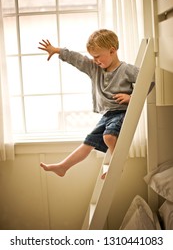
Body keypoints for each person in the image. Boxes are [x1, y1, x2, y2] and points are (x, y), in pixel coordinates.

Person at [38, 29, 139, 179]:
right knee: (88, 142)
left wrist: (131, 97)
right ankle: (63, 166)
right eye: (93, 57)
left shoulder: (126, 70)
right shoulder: (94, 68)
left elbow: (148, 81)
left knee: (109, 137)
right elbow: (77, 59)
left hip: (121, 112)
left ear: (112, 51)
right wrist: (57, 50)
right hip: (107, 115)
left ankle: (116, 166)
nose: (95, 60)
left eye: (98, 56)